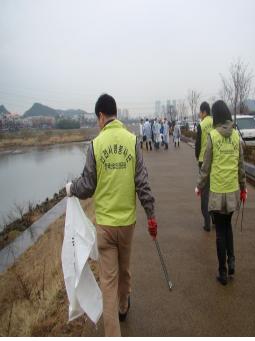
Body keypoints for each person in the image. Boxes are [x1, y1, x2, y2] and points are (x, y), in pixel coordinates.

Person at [65, 94, 158, 336]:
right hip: (127, 223)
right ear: (115, 113)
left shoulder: (95, 145)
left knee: (108, 284)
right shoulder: (132, 140)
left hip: (105, 226)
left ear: (101, 116)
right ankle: (124, 305)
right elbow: (143, 183)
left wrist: (70, 188)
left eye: (97, 119)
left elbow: (86, 186)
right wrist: (151, 214)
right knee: (125, 269)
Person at [195, 100, 247, 286]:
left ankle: (222, 271)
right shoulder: (235, 136)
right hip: (233, 192)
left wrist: (199, 186)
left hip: (217, 192)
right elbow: (241, 166)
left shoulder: (213, 136)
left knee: (220, 233)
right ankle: (232, 261)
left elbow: (206, 166)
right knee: (228, 228)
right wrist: (244, 187)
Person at [195, 102, 213, 232]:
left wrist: (198, 158)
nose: (199, 115)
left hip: (203, 161)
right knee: (214, 190)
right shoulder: (216, 123)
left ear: (204, 112)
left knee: (205, 192)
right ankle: (216, 218)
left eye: (200, 112)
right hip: (215, 161)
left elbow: (197, 145)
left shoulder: (201, 125)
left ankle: (207, 222)